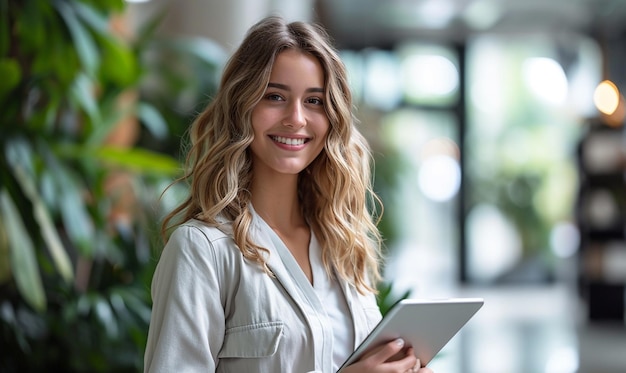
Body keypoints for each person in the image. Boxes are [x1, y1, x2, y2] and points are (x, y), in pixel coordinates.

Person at [143, 15, 434, 373]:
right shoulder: (202, 251)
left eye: (314, 101)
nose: (296, 118)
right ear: (241, 106)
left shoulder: (342, 246)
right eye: (275, 96)